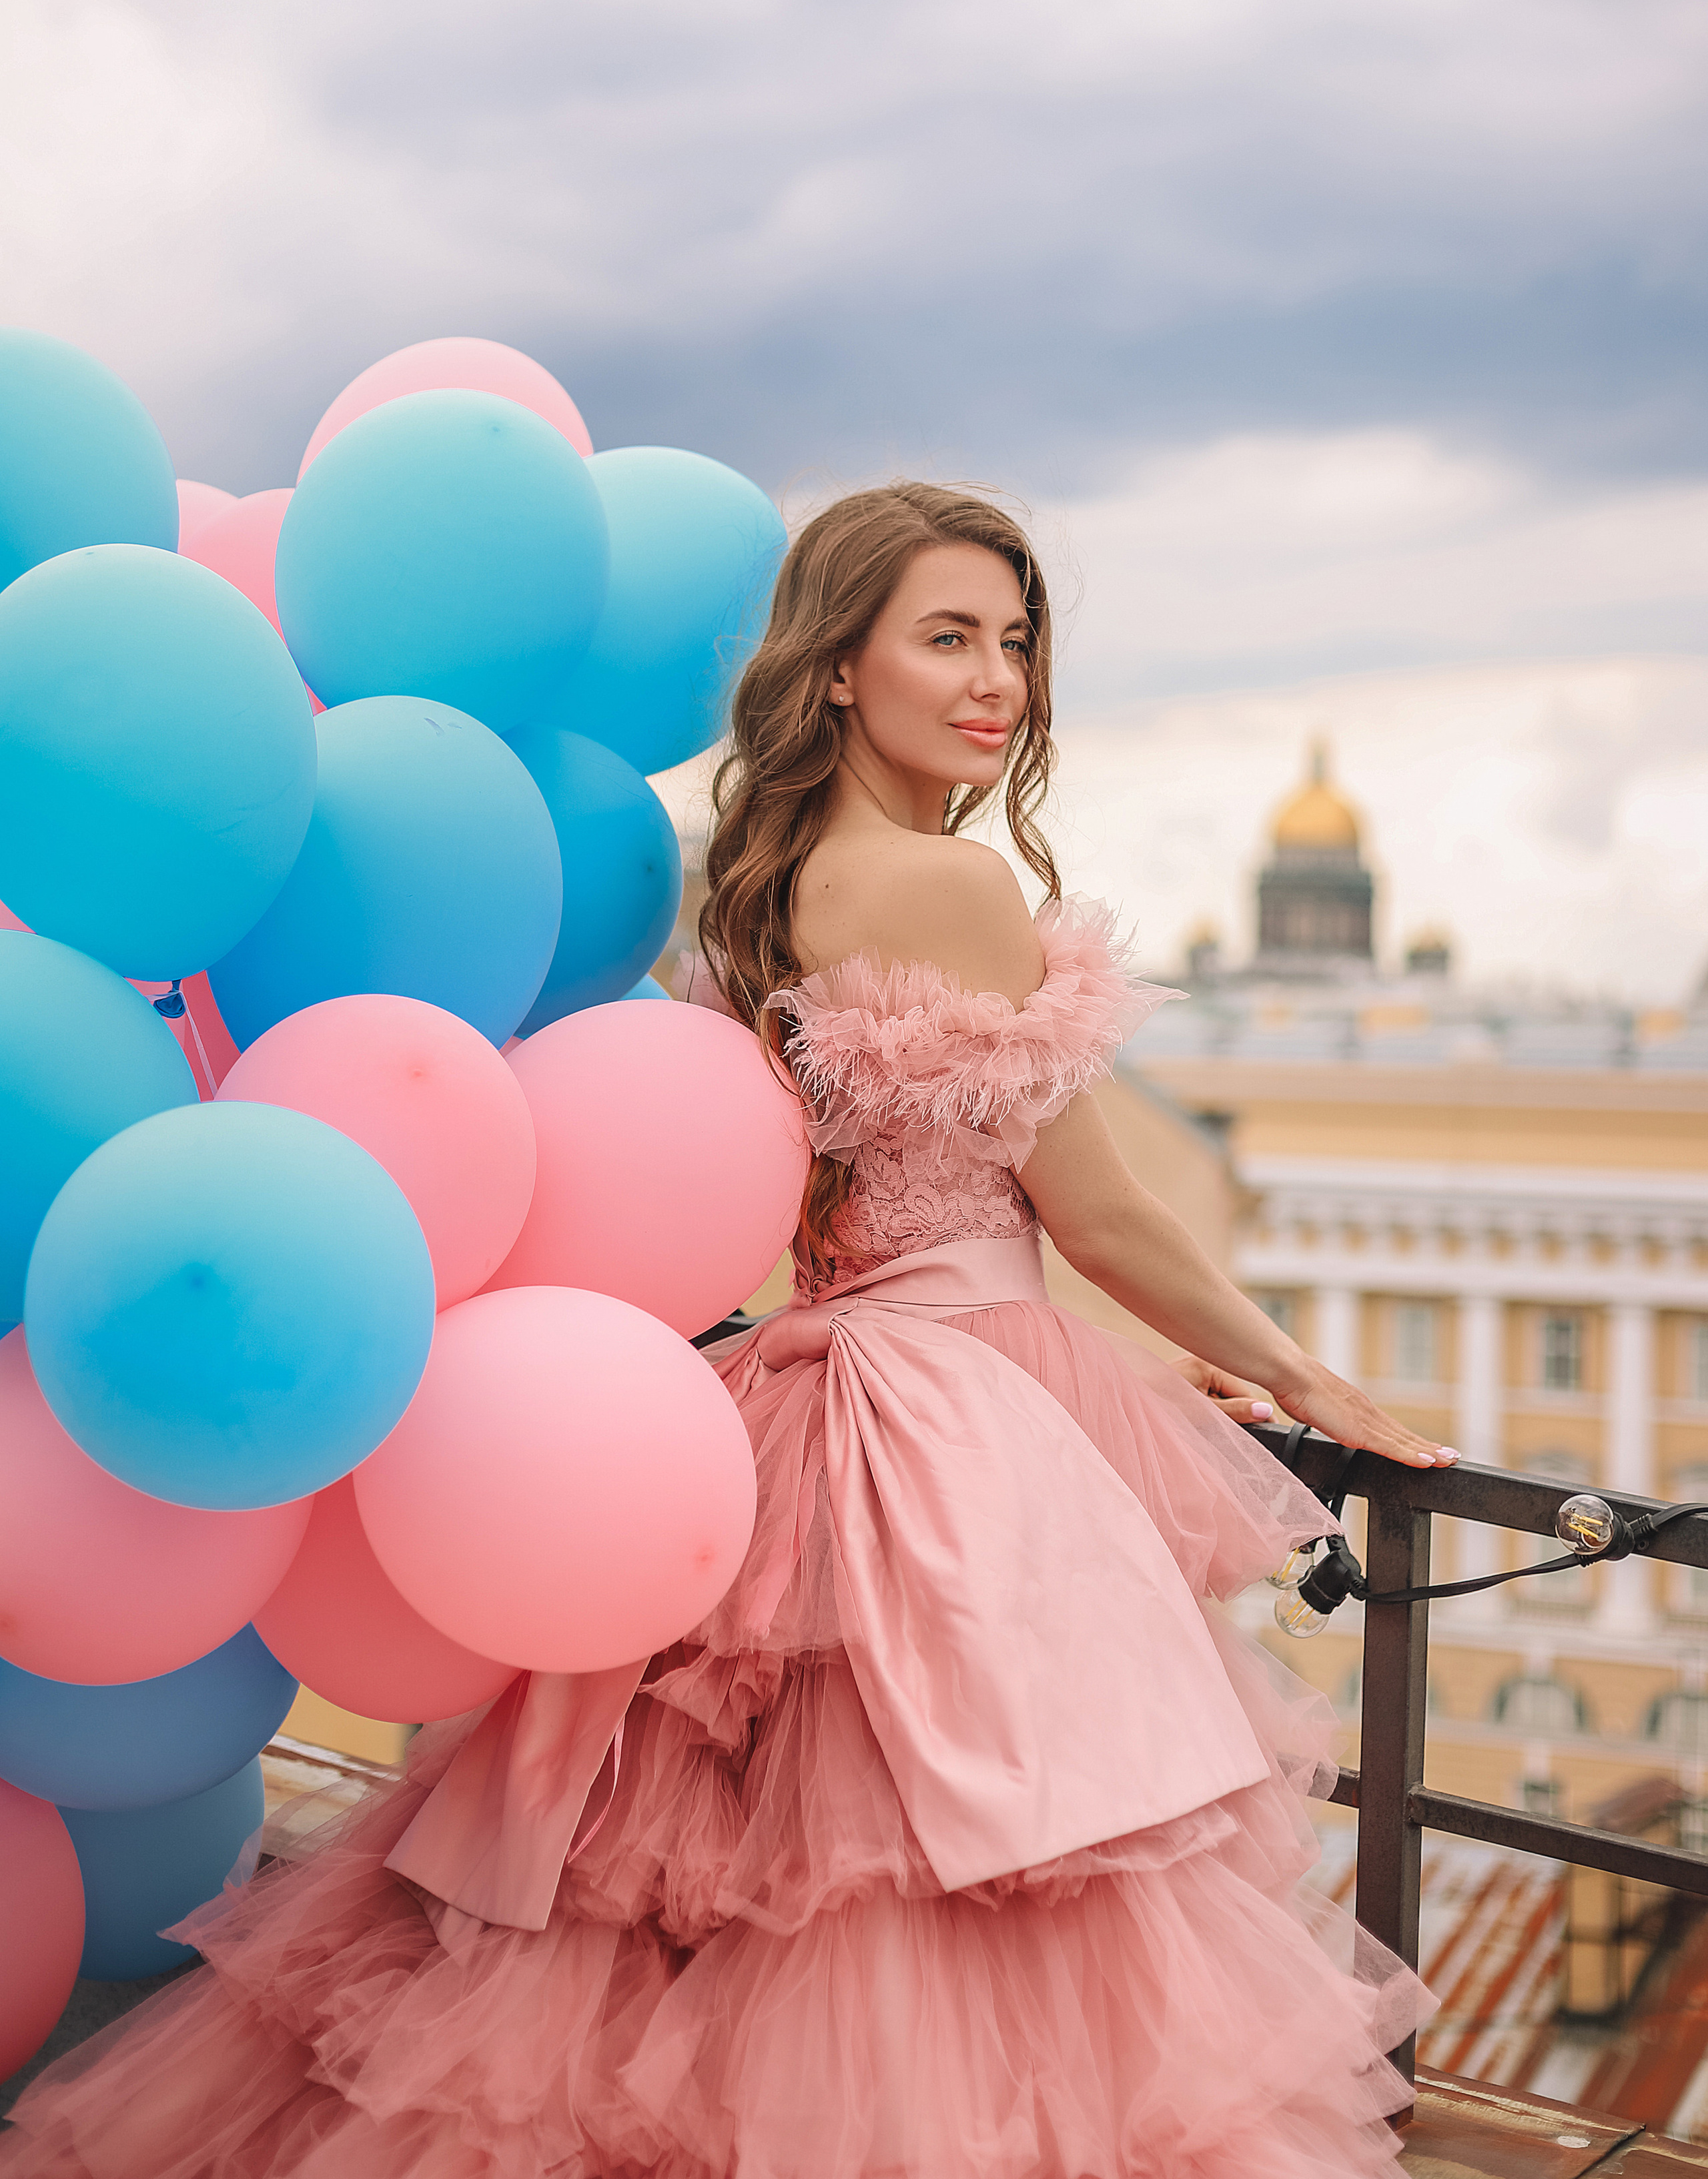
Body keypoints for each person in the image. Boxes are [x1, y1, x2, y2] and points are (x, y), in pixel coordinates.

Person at [2, 480, 1452, 2178]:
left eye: (1015, 643)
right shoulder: (952, 885)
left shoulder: (764, 885)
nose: (996, 682)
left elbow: (873, 1221)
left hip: (809, 1399)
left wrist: (1132, 1360)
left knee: (708, 1902)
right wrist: (1297, 1375)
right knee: (971, 1890)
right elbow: (1096, 1211)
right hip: (951, 1440)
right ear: (839, 667)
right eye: (946, 638)